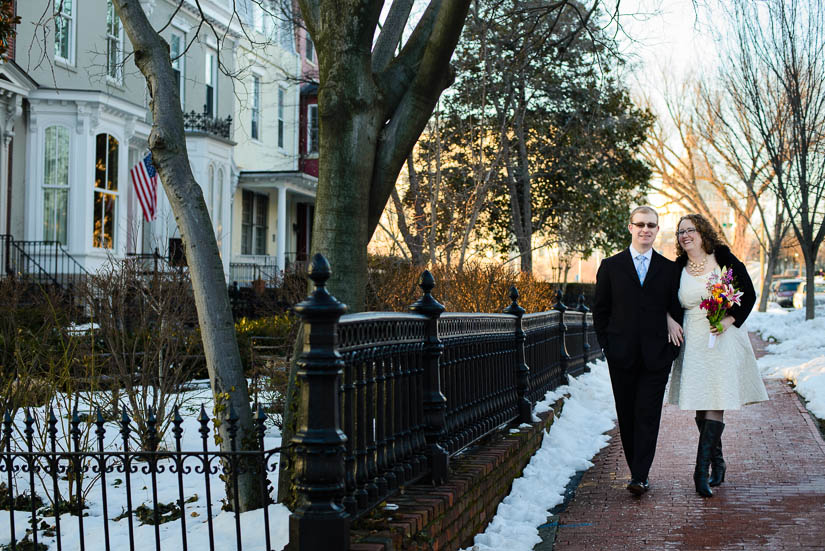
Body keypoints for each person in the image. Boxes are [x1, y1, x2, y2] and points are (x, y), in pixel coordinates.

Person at [665, 214, 768, 498]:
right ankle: (718, 462)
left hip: (722, 335)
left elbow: (747, 292)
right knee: (701, 401)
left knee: (716, 399)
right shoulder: (677, 268)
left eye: (690, 230)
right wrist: (669, 319)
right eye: (680, 232)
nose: (685, 235)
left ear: (702, 232)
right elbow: (663, 299)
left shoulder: (722, 258)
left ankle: (700, 473)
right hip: (693, 340)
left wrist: (729, 319)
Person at [593, 206, 683, 496]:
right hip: (622, 355)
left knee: (647, 413)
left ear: (658, 230)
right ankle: (636, 469)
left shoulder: (669, 269)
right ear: (630, 228)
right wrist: (608, 345)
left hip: (657, 356)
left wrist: (671, 324)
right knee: (628, 413)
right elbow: (600, 311)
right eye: (640, 224)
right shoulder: (611, 266)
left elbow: (676, 307)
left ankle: (640, 476)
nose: (646, 229)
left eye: (651, 225)